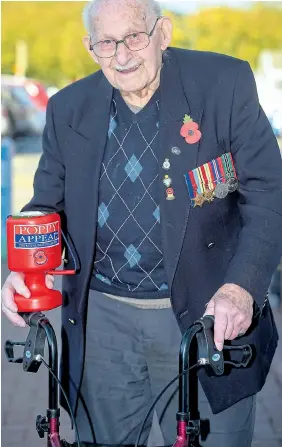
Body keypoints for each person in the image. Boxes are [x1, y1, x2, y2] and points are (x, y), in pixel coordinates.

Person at [2, 0, 282, 445]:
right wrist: (25, 266)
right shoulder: (67, 108)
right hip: (104, 322)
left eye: (134, 37)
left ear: (163, 33)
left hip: (208, 315)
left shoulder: (223, 85)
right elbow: (46, 205)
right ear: (89, 47)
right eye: (107, 43)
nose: (123, 55)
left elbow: (269, 195)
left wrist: (240, 288)